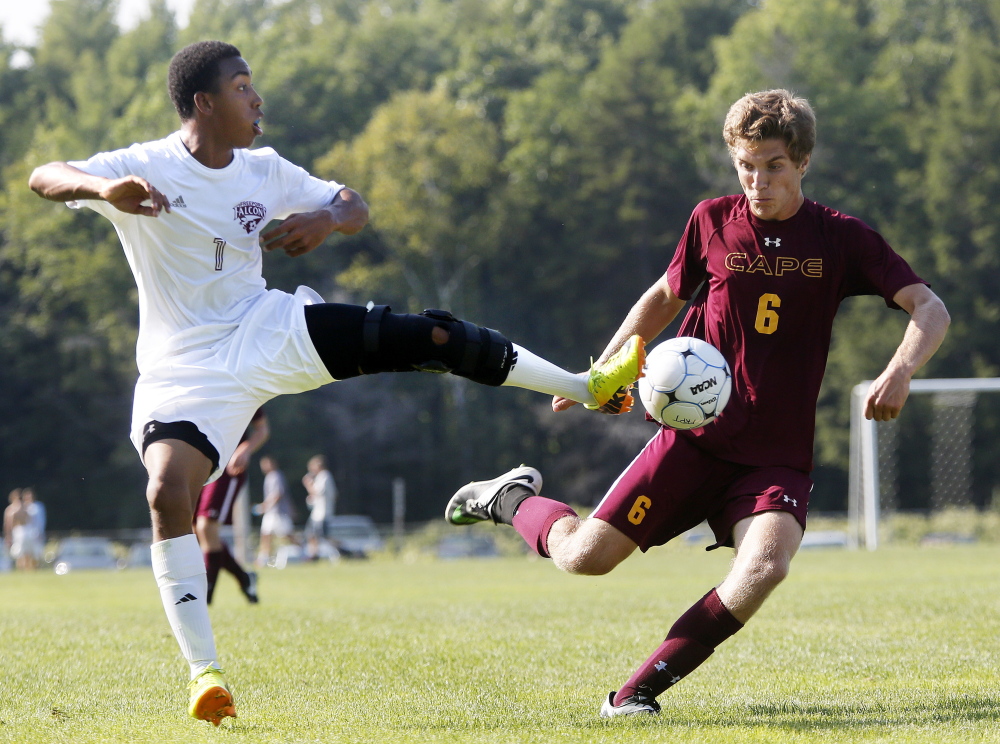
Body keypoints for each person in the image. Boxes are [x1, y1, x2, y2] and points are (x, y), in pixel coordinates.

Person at [27, 40, 643, 725]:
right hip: (184, 370)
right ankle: (204, 674)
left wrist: (327, 217)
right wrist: (98, 189)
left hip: (267, 330)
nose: (256, 99)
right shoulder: (142, 166)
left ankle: (589, 387)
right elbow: (43, 174)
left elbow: (353, 202)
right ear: (203, 102)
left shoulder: (264, 168)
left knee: (430, 337)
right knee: (166, 492)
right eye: (241, 87)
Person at [445, 89, 951, 717]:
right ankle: (509, 497)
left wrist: (899, 371)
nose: (758, 181)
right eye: (746, 166)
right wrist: (602, 373)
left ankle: (635, 695)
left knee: (765, 566)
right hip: (694, 442)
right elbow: (664, 295)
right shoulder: (712, 220)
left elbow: (930, 308)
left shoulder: (840, 239)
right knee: (584, 558)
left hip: (776, 457)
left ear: (803, 163)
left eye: (774, 166)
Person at [194, 407, 269, 604]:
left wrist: (245, 448)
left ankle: (205, 598)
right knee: (197, 531)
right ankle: (244, 578)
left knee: (206, 526)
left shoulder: (239, 382)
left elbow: (262, 430)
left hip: (228, 466)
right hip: (201, 463)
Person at [254, 455, 294, 567]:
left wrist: (265, 506)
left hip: (279, 512)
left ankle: (305, 551)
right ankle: (263, 559)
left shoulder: (276, 475)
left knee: (288, 535)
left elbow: (278, 494)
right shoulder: (269, 477)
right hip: (271, 512)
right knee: (266, 535)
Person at [302, 454, 336, 560]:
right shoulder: (321, 477)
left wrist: (308, 484)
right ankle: (314, 555)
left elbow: (317, 492)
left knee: (324, 537)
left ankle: (344, 550)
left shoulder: (324, 476)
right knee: (311, 535)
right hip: (317, 513)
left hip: (322, 513)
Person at [20, 488, 45, 570]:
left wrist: (40, 531)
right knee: (25, 552)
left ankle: (35, 568)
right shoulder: (22, 507)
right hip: (25, 533)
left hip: (35, 532)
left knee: (35, 553)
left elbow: (41, 520)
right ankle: (26, 569)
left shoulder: (38, 506)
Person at [3, 489, 28, 569]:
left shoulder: (25, 509)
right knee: (18, 553)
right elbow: (8, 525)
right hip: (16, 533)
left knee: (24, 553)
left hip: (23, 533)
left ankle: (25, 569)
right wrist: (8, 536)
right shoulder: (10, 510)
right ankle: (20, 568)